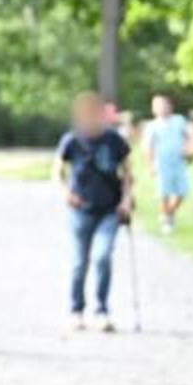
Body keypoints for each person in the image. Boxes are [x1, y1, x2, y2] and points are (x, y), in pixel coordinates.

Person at [56, 91, 135, 333]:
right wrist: (65, 193)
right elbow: (57, 171)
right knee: (80, 263)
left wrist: (126, 201)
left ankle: (101, 310)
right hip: (81, 210)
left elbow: (128, 175)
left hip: (109, 209)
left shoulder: (114, 141)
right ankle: (76, 310)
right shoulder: (71, 141)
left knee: (102, 257)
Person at [142, 93, 191, 234]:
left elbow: (187, 136)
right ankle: (166, 219)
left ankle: (169, 213)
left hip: (178, 161)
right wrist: (150, 165)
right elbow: (147, 147)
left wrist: (187, 150)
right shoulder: (152, 126)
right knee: (163, 192)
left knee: (182, 191)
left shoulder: (179, 120)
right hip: (161, 162)